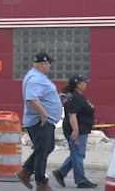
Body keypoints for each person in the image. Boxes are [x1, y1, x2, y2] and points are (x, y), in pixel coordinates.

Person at [15, 52, 63, 191]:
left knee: (47, 147)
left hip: (43, 121)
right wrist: (43, 115)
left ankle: (25, 172)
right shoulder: (35, 78)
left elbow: (40, 96)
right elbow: (31, 98)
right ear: (44, 64)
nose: (50, 66)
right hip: (40, 122)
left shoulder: (37, 77)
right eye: (49, 64)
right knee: (42, 151)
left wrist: (56, 98)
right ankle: (41, 183)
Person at [52, 74, 98, 189]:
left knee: (77, 154)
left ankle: (61, 172)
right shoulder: (75, 97)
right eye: (84, 82)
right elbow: (72, 115)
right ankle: (81, 180)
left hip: (81, 129)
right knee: (78, 155)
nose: (86, 83)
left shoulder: (76, 96)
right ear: (78, 84)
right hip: (77, 130)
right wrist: (75, 131)